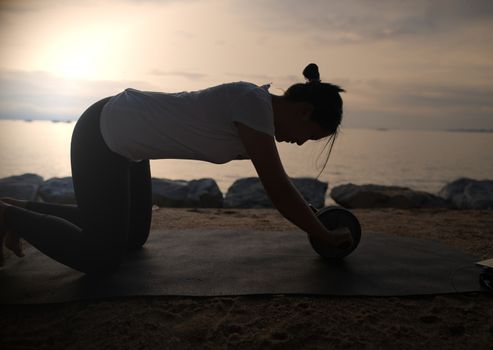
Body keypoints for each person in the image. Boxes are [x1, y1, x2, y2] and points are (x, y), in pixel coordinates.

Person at [0, 63, 351, 274]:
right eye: (311, 135)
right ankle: (6, 215)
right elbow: (278, 189)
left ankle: (22, 209)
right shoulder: (254, 104)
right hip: (102, 131)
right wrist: (322, 232)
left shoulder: (258, 118)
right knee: (102, 257)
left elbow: (279, 186)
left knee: (132, 237)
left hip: (131, 147)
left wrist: (317, 225)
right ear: (304, 112)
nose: (303, 143)